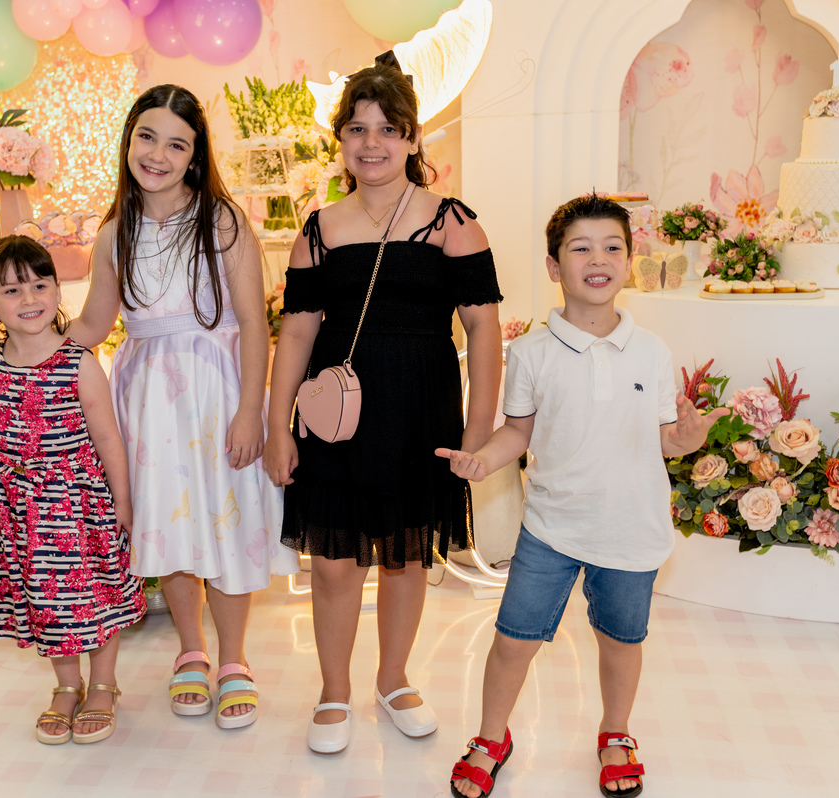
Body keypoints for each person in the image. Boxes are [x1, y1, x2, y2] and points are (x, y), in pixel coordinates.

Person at [438, 195, 730, 798]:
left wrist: (687, 437)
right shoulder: (531, 352)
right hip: (551, 528)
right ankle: (491, 738)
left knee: (621, 643)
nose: (598, 259)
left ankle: (616, 733)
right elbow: (517, 432)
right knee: (513, 641)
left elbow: (665, 438)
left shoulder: (652, 350)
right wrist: (482, 459)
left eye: (612, 247)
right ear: (554, 266)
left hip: (631, 529)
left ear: (629, 260)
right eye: (581, 248)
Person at [265, 52, 503, 754]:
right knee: (334, 560)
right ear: (340, 139)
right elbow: (297, 331)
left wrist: (478, 433)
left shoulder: (452, 222)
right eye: (357, 129)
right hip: (336, 416)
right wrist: (278, 425)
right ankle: (333, 689)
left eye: (388, 129)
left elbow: (483, 327)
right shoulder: (319, 227)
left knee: (405, 554)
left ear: (413, 138)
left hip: (421, 408)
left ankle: (393, 679)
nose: (372, 143)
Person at [67, 84, 297, 729]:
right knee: (166, 524)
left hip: (216, 390)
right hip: (145, 398)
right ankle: (190, 650)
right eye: (147, 137)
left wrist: (250, 411)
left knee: (224, 521)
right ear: (129, 140)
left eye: (177, 144)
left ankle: (233, 658)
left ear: (195, 156)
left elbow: (254, 323)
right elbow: (94, 323)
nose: (158, 155)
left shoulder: (222, 221)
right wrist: (27, 342)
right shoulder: (113, 233)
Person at [0, 235, 144, 746]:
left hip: (77, 506)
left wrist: (123, 502)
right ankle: (67, 685)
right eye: (12, 290)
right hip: (20, 509)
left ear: (58, 291)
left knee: (93, 595)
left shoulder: (78, 361)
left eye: (40, 285)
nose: (29, 298)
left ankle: (103, 684)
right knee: (46, 599)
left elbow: (108, 438)